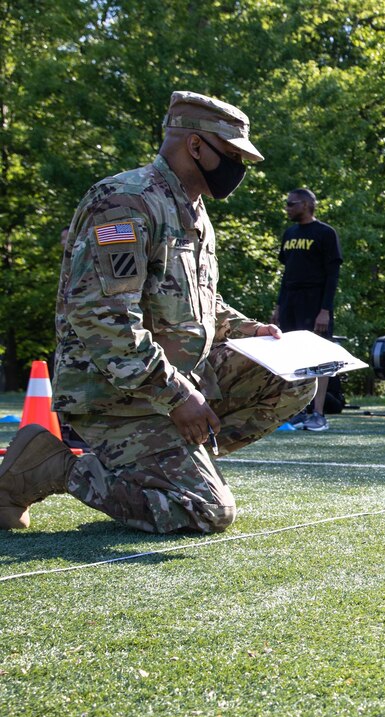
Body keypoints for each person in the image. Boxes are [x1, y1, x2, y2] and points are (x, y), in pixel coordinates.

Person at [0, 91, 315, 533]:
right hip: (116, 396)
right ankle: (53, 468)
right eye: (231, 155)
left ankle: (170, 463)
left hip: (176, 386)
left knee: (294, 376)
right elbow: (102, 317)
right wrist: (177, 395)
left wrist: (250, 330)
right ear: (196, 146)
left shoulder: (192, 210)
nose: (238, 170)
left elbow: (196, 302)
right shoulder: (125, 202)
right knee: (208, 512)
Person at [271, 188, 343, 433]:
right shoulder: (289, 233)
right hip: (291, 301)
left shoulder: (325, 233)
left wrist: (325, 310)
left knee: (319, 358)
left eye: (291, 204)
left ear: (306, 204)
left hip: (314, 302)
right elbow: (287, 273)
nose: (287, 208)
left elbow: (332, 275)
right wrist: (279, 306)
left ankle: (318, 414)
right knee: (293, 357)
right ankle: (296, 412)